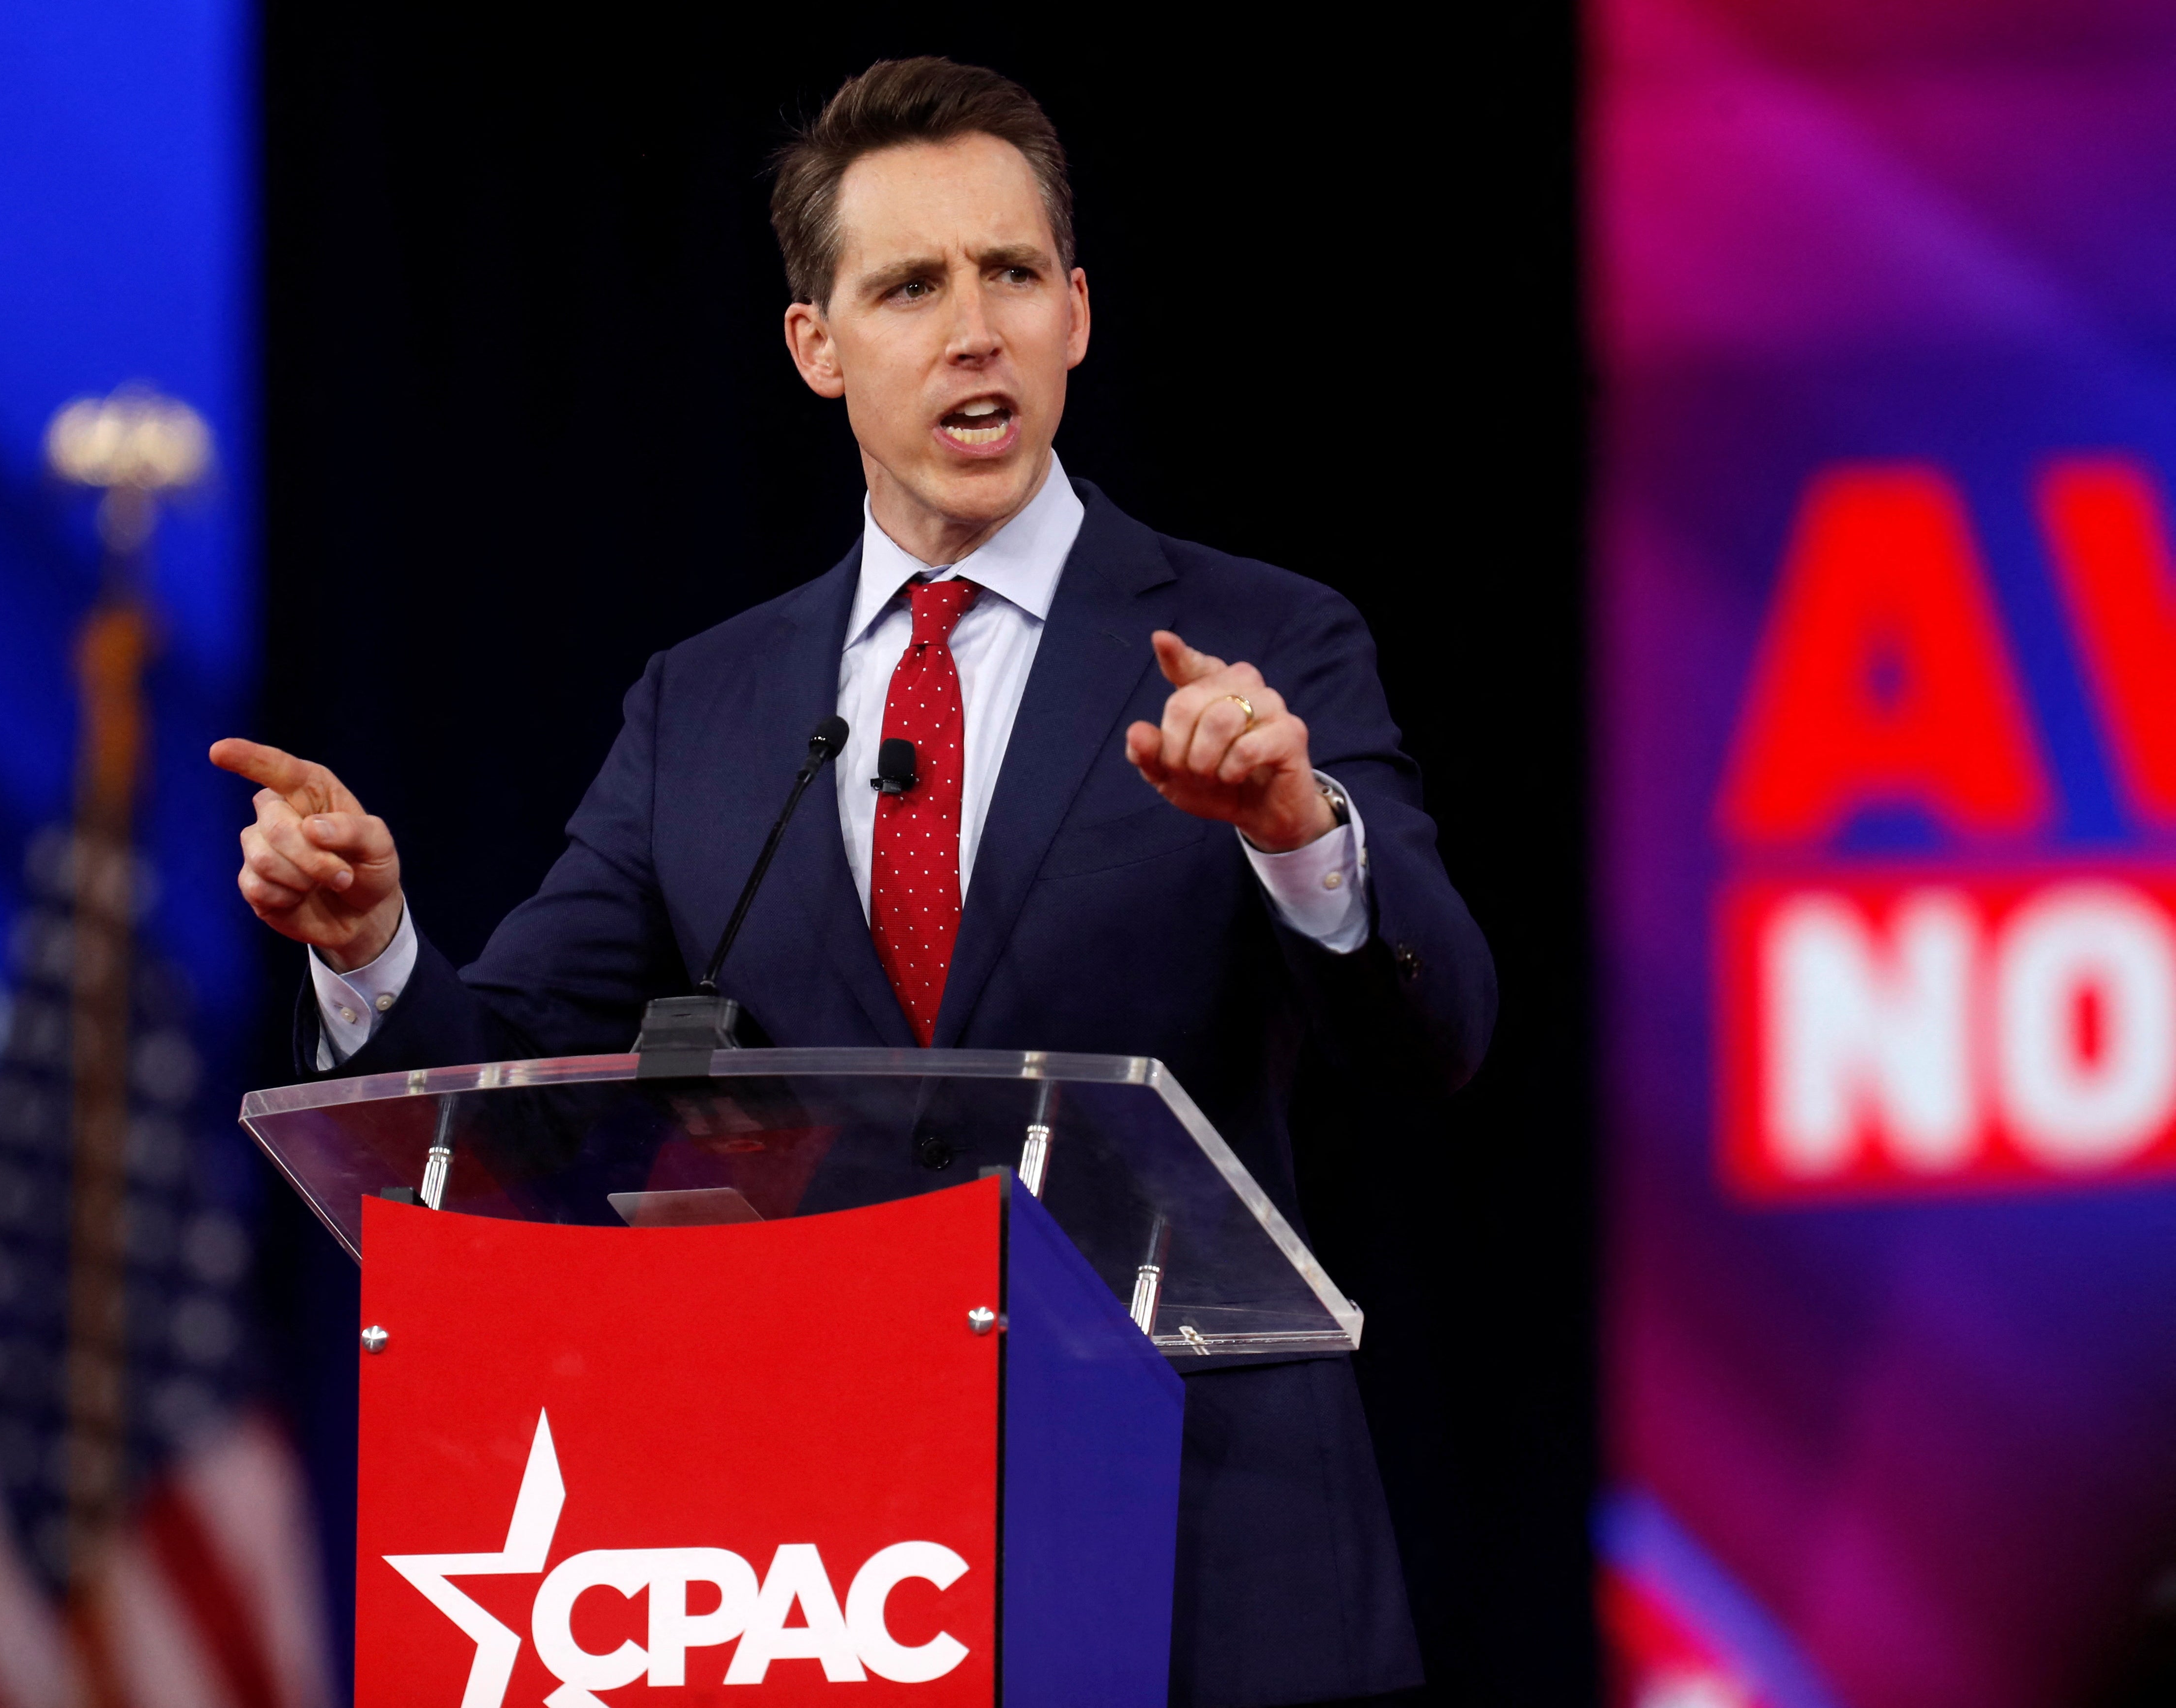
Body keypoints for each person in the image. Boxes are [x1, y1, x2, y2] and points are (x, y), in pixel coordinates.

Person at [214, 56, 1493, 1708]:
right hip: (829, 1574)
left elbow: (1436, 1030)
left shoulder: (1264, 646)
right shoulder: (710, 708)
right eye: (910, 286)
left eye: (1012, 274)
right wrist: (370, 944)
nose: (975, 328)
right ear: (817, 347)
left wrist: (1292, 829)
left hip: (1208, 1573)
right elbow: (500, 1105)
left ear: (1078, 315)